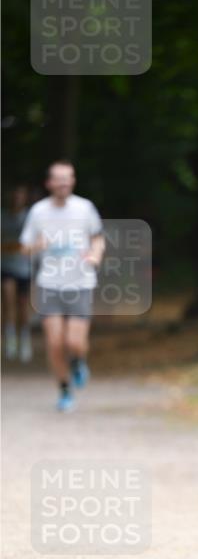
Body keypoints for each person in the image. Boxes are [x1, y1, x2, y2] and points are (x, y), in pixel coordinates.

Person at [20, 161, 104, 411]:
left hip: (80, 282)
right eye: (58, 178)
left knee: (74, 342)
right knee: (55, 344)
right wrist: (37, 245)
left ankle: (78, 360)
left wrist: (95, 256)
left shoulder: (85, 207)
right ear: (49, 183)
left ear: (73, 181)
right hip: (49, 284)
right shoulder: (38, 211)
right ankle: (65, 390)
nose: (63, 182)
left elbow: (97, 238)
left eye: (68, 177)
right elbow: (25, 247)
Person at [1, 185, 33, 362]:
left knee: (22, 306)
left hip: (24, 269)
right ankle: (10, 340)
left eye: (20, 195)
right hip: (5, 266)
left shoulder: (30, 216)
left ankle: (25, 340)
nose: (17, 198)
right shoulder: (2, 216)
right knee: (8, 301)